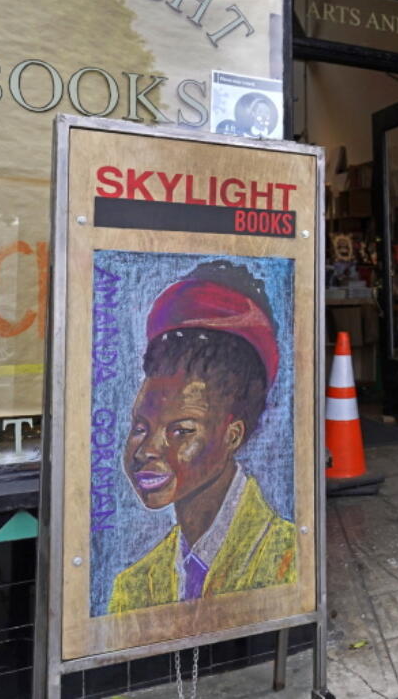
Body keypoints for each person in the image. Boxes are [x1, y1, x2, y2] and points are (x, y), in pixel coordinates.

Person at [108, 261, 298, 613]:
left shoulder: (286, 557)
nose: (147, 450)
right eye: (139, 428)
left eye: (181, 431)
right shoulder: (134, 585)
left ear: (233, 435)